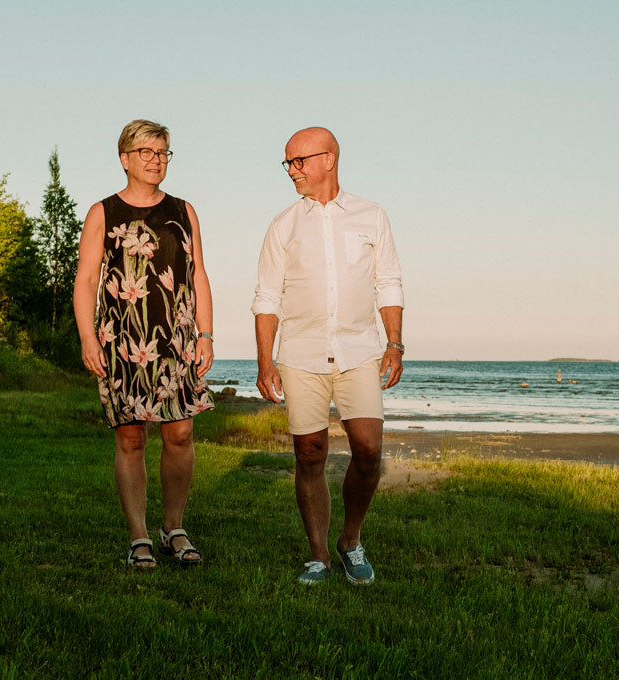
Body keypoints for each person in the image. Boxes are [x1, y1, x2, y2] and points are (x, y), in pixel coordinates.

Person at [252, 127, 404, 586]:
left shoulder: (371, 215)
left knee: (369, 451)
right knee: (310, 452)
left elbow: (389, 282)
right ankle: (318, 554)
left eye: (299, 161)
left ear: (329, 159)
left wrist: (394, 343)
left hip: (360, 350)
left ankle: (350, 541)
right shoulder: (283, 225)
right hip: (300, 353)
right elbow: (266, 298)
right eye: (288, 163)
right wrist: (265, 361)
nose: (292, 170)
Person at [73, 119, 215, 569]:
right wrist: (88, 338)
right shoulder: (104, 212)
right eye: (147, 153)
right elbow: (86, 280)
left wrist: (205, 335)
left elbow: (197, 277)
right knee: (130, 439)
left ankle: (173, 528)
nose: (157, 161)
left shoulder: (183, 210)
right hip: (121, 340)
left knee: (181, 432)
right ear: (125, 159)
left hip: (175, 340)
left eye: (163, 153)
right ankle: (138, 536)